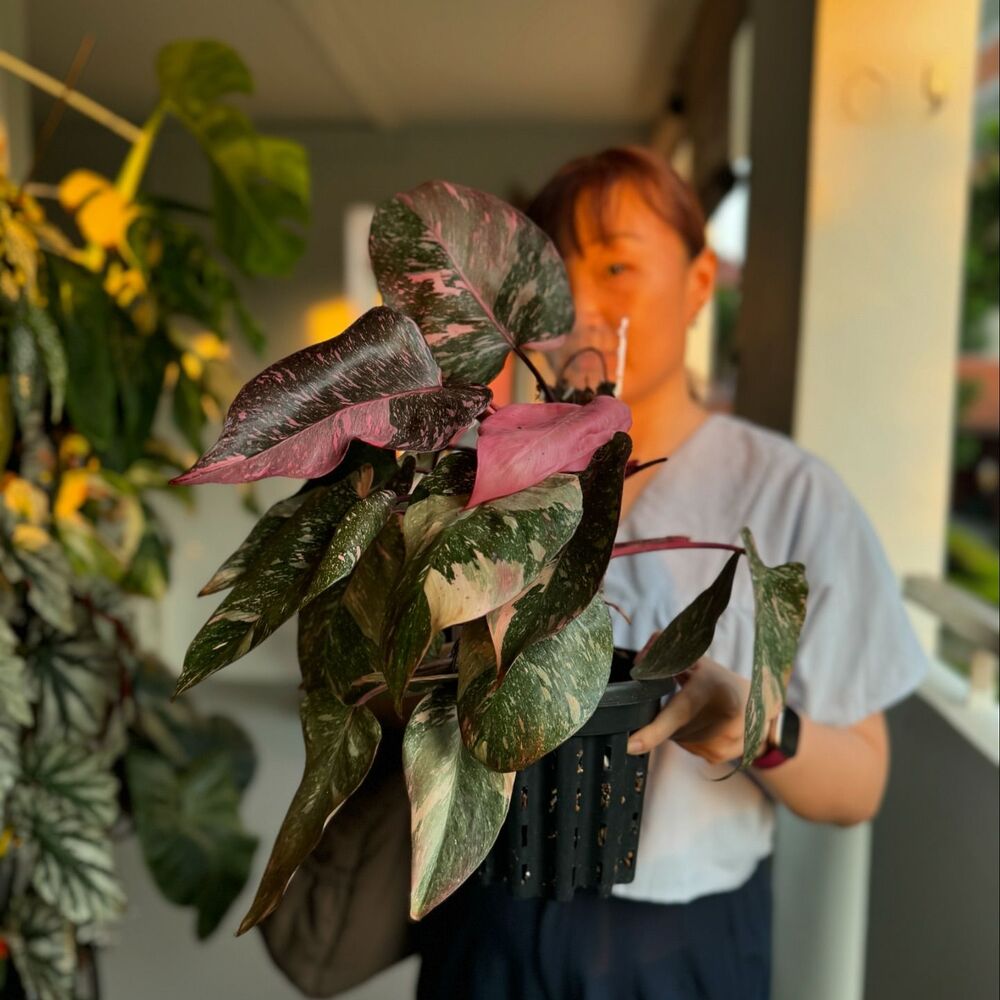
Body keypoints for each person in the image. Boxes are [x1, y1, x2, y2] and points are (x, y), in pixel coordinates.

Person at [414, 146, 928, 1000]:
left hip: (678, 942)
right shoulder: (484, 481)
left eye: (616, 264)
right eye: (553, 271)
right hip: (489, 910)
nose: (580, 302)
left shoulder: (789, 496)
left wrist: (753, 726)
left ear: (697, 285)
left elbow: (859, 783)